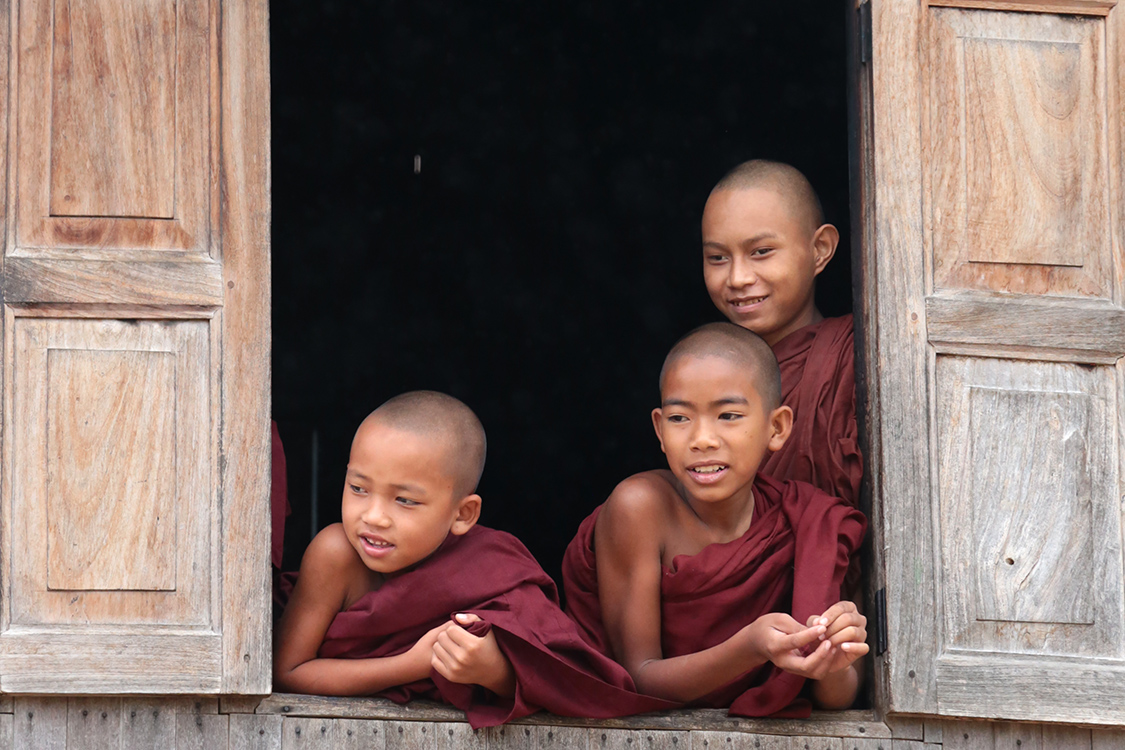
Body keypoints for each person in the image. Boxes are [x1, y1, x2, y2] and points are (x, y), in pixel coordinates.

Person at [274, 391, 673, 727]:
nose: (374, 516)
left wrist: (494, 671)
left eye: (405, 500)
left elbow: (556, 676)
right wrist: (413, 663)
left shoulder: (493, 565)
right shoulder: (335, 554)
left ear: (463, 515)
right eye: (359, 488)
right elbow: (289, 672)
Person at [562, 323, 867, 716]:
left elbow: (835, 697)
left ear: (777, 428)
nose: (702, 439)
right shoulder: (640, 509)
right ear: (658, 428)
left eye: (728, 415)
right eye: (679, 418)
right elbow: (637, 678)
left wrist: (832, 655)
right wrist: (748, 648)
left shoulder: (807, 521)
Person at [702, 160, 861, 506]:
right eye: (717, 257)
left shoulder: (856, 359)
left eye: (761, 252)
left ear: (820, 250)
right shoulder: (699, 374)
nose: (738, 278)